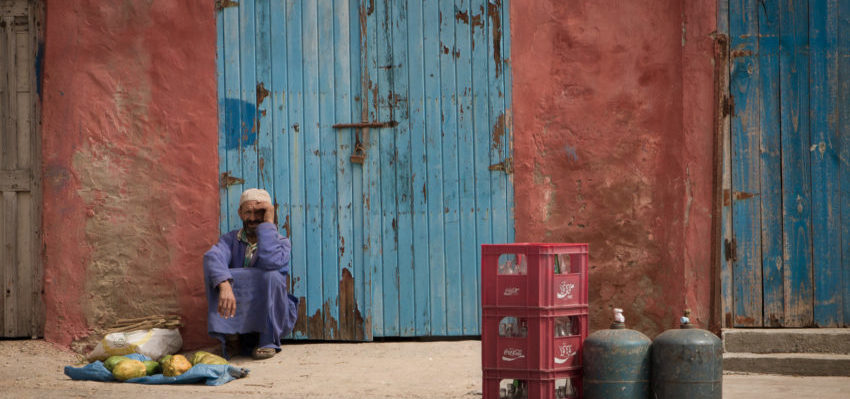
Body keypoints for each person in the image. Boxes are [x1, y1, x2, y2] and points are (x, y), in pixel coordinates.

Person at [203, 188, 299, 359]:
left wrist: (269, 223)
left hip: (269, 317)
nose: (253, 218)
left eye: (259, 212)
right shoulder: (230, 240)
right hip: (239, 317)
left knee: (271, 275)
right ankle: (233, 340)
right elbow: (213, 256)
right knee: (219, 273)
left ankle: (268, 341)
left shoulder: (281, 243)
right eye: (248, 212)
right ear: (240, 213)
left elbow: (271, 263)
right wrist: (224, 284)